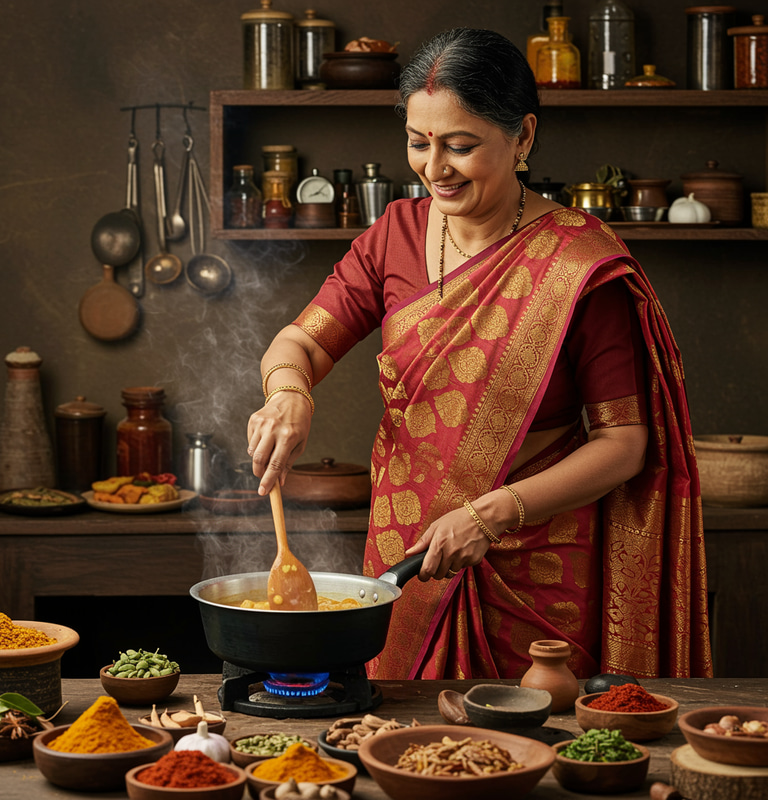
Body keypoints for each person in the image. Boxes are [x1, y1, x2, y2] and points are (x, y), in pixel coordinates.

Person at [247, 28, 712, 680]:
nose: (434, 166)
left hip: (536, 560)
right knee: (400, 749)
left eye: (460, 146)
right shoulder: (394, 238)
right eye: (418, 143)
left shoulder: (578, 263)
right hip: (410, 547)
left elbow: (626, 443)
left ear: (521, 138)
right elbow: (298, 343)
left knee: (539, 744)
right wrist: (288, 393)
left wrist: (489, 514)